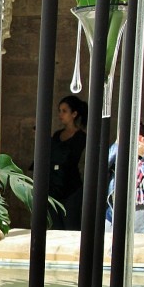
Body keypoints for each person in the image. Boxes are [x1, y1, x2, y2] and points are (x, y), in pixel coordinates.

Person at [106, 124, 144, 233]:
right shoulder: (118, 158)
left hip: (140, 213)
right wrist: (118, 143)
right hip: (115, 210)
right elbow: (102, 164)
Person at [48, 95, 87, 230]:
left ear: (74, 114)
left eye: (64, 111)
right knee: (54, 225)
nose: (61, 114)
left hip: (70, 188)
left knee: (70, 225)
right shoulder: (57, 134)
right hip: (54, 186)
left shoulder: (80, 136)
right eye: (60, 110)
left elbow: (71, 158)